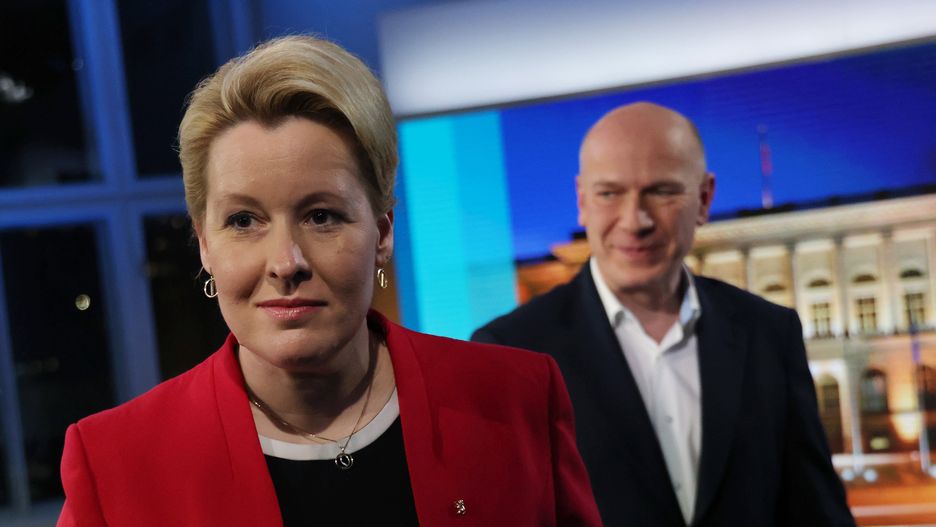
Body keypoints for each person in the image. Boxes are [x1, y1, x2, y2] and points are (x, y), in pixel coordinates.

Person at [57, 35, 601, 527]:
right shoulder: (115, 462)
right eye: (243, 221)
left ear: (383, 231)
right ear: (204, 244)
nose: (286, 261)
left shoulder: (516, 399)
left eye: (321, 216)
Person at [472, 102, 856, 527]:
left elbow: (817, 514)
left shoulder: (769, 333)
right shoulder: (508, 352)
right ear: (582, 200)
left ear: (705, 198)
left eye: (661, 191)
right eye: (609, 193)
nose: (635, 221)